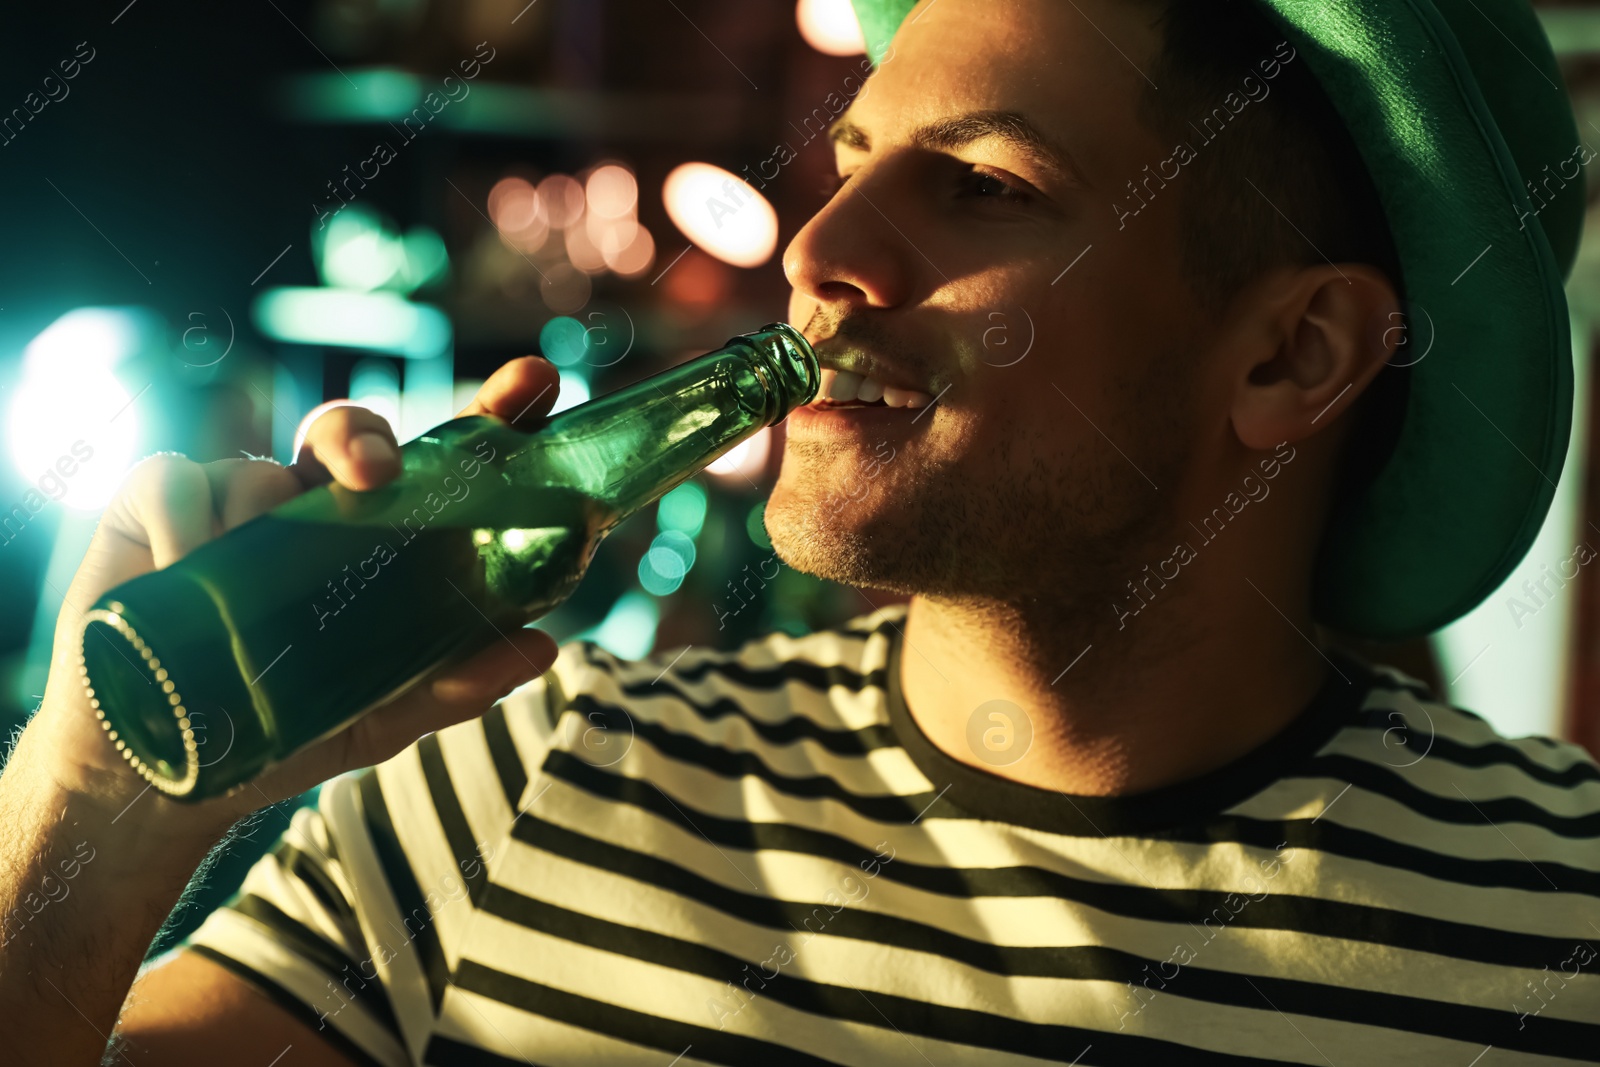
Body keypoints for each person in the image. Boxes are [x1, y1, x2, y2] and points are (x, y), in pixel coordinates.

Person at [3, 0, 1596, 1062]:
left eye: (980, 184)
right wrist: (93, 810)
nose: (820, 248)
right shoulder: (524, 781)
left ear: (1288, 356)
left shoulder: (1561, 926)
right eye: (850, 160)